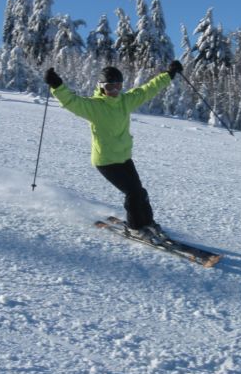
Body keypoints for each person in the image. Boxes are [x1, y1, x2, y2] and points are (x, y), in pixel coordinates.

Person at [44, 61, 184, 242]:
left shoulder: (125, 101)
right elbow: (72, 101)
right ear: (102, 88)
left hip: (124, 157)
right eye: (110, 87)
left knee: (140, 192)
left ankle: (147, 222)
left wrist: (169, 74)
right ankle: (134, 228)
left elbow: (148, 89)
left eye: (118, 86)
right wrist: (57, 85)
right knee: (132, 193)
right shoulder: (94, 107)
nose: (115, 91)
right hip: (106, 161)